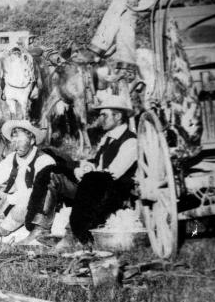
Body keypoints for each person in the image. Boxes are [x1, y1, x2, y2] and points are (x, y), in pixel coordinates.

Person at [25, 94, 138, 247]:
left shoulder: (130, 141)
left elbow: (113, 174)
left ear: (118, 116)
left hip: (113, 193)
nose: (100, 119)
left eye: (104, 115)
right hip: (93, 187)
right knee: (51, 172)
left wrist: (88, 174)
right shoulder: (108, 138)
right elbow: (97, 165)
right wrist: (83, 168)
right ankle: (40, 229)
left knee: (93, 180)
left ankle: (73, 234)